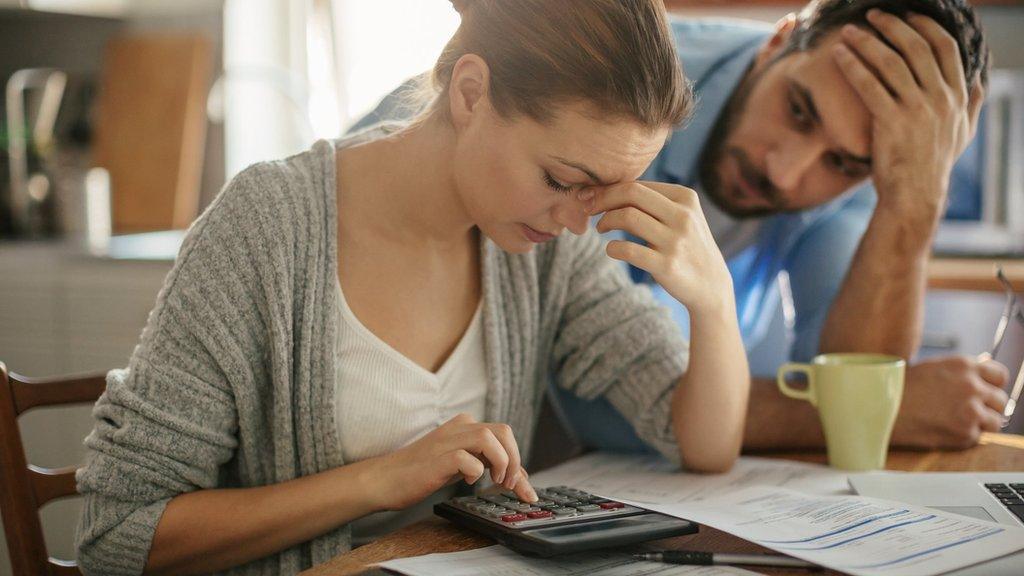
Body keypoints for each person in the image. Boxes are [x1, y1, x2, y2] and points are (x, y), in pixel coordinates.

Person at [75, 1, 750, 574]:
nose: (579, 222)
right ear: (469, 93)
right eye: (561, 179)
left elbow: (702, 443)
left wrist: (713, 302)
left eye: (601, 194)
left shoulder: (539, 250)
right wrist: (376, 480)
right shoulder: (266, 228)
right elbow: (118, 534)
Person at [356, 0, 1009, 455]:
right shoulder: (624, 103)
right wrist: (881, 411)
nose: (788, 173)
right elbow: (615, 407)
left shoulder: (868, 165)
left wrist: (913, 205)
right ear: (778, 41)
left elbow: (852, 413)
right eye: (799, 111)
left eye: (843, 164)